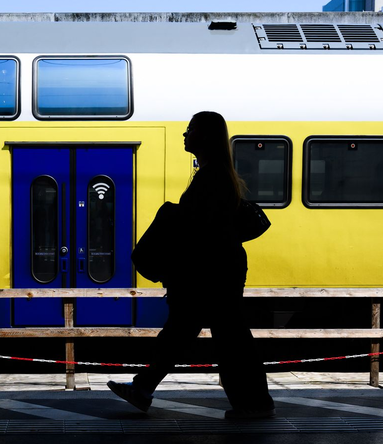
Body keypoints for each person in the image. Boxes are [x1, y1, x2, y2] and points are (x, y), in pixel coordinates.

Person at [108, 111, 275, 419]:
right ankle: (145, 388)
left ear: (206, 136)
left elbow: (200, 231)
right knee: (198, 334)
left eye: (191, 130)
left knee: (224, 338)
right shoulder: (215, 174)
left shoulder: (211, 178)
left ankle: (255, 403)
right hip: (216, 270)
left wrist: (172, 224)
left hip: (210, 273)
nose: (185, 135)